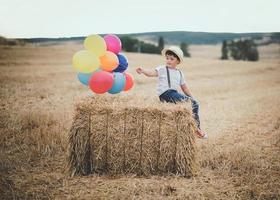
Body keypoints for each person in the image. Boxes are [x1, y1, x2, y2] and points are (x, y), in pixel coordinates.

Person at [136, 46, 208, 139]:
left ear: (178, 61)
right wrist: (143, 71)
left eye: (171, 59)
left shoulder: (180, 73)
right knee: (193, 104)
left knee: (194, 103)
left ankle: (193, 128)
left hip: (173, 94)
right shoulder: (162, 69)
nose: (168, 61)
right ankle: (197, 130)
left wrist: (192, 97)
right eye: (167, 58)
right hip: (166, 94)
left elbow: (184, 88)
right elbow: (151, 73)